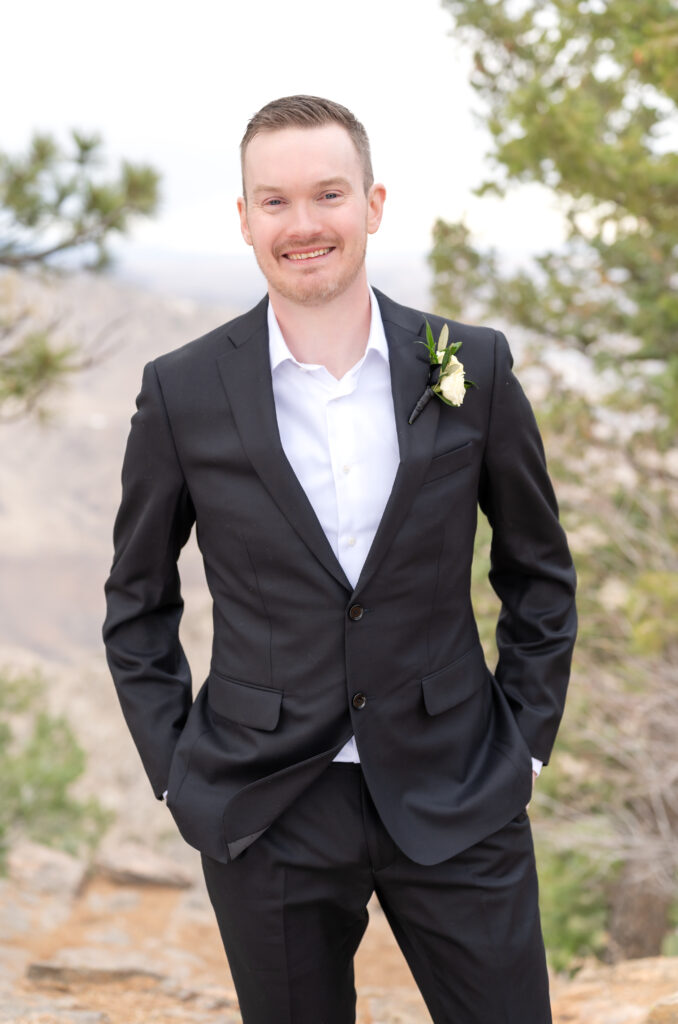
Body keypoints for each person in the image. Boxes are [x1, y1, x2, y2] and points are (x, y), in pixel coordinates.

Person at [103, 95, 577, 1024]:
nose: (304, 223)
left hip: (459, 784)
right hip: (264, 806)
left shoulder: (470, 367)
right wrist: (177, 769)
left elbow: (537, 572)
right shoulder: (182, 391)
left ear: (374, 203)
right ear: (244, 220)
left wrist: (523, 746)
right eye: (274, 201)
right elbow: (136, 600)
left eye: (328, 193)